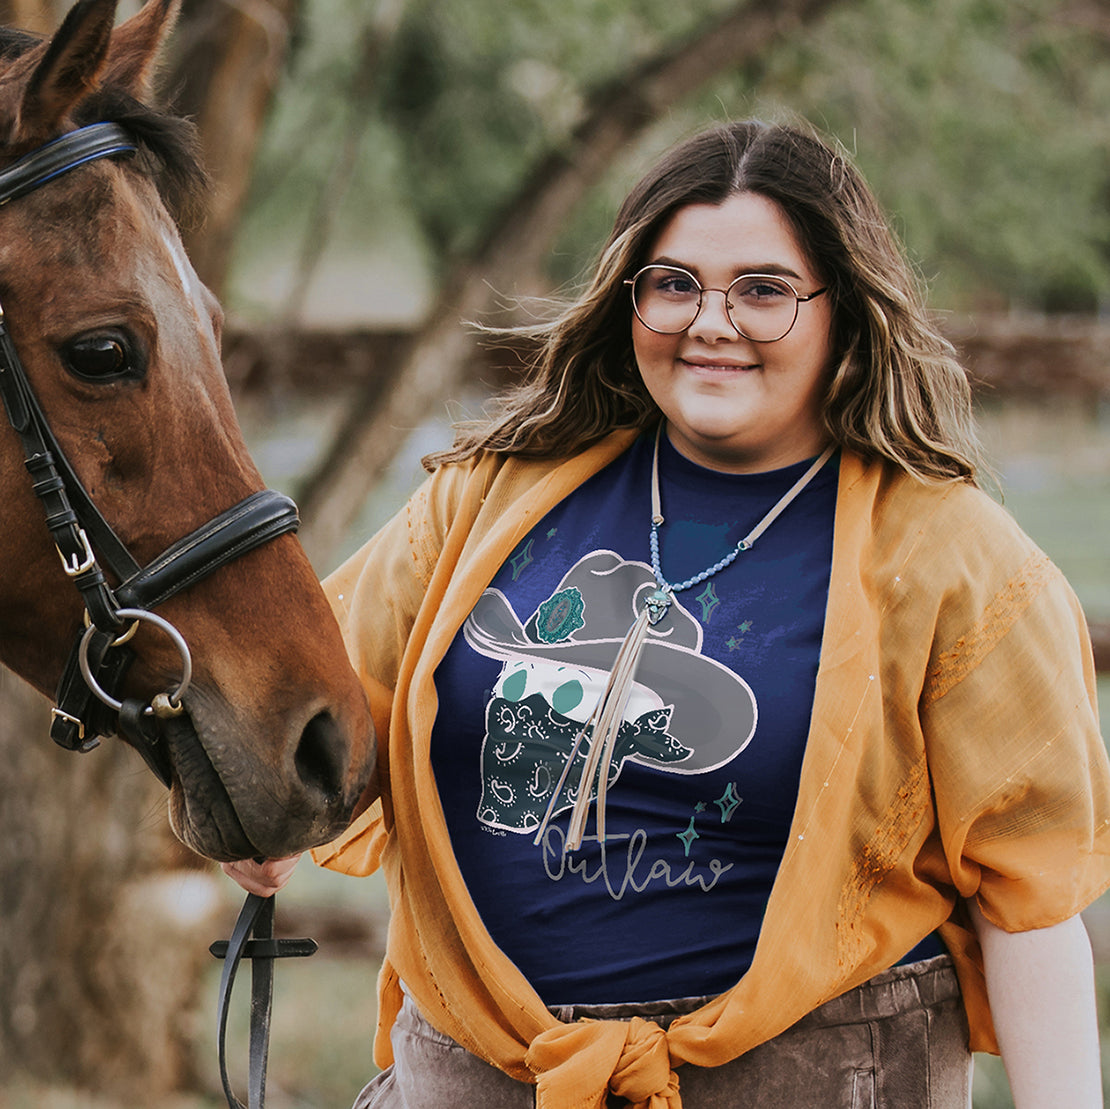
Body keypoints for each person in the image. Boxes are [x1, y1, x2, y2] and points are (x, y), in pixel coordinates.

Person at [224, 119, 1110, 1108]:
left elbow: (1029, 906)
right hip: (481, 1079)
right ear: (628, 298)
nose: (711, 321)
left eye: (764, 290)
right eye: (674, 282)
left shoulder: (956, 560)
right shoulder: (483, 503)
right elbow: (319, 710)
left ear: (846, 310)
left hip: (811, 1081)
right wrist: (261, 813)